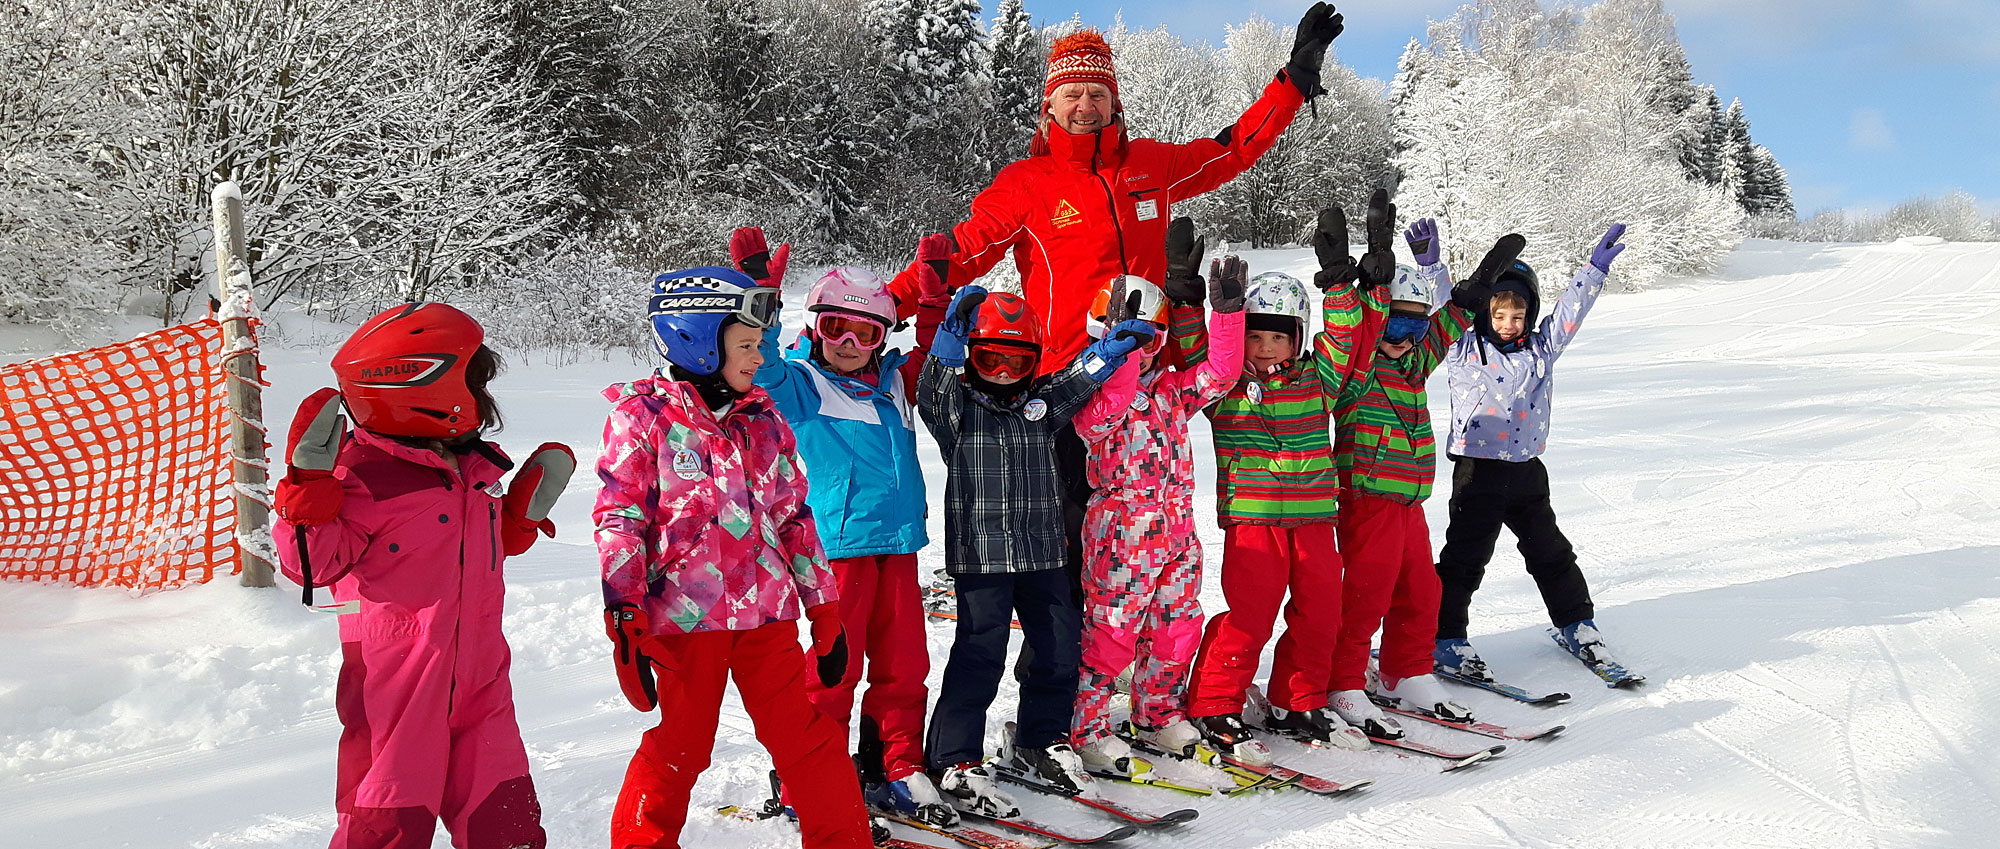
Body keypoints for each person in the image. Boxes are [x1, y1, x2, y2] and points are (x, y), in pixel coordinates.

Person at [883, 5, 1348, 595]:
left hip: (1144, 381)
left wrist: (1294, 81)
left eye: (1097, 92)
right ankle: (1068, 659)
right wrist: (870, 314)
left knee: (1137, 523)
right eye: (1072, 93)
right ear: (1049, 106)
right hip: (1063, 384)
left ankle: (1131, 643)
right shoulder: (1027, 184)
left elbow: (1232, 149)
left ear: (1115, 101)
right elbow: (957, 254)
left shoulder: (1153, 167)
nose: (1086, 105)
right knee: (1068, 526)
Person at [273, 302, 569, 849]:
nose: (485, 401)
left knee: (507, 825)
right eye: (475, 384)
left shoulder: (476, 469)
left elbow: (472, 556)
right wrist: (306, 496)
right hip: (397, 690)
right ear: (427, 390)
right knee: (386, 829)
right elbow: (311, 567)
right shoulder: (362, 476)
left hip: (482, 683)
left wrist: (515, 525)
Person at [593, 268, 871, 849]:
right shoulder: (645, 418)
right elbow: (621, 518)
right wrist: (624, 610)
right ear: (696, 342)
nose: (759, 355)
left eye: (761, 342)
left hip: (766, 618)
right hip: (683, 624)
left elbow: (795, 519)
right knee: (681, 745)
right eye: (746, 345)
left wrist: (823, 606)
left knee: (805, 738)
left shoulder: (764, 420)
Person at [733, 227, 956, 828]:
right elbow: (766, 365)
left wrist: (934, 302)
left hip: (899, 545)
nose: (851, 343)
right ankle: (813, 768)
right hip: (837, 550)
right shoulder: (803, 385)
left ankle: (896, 765)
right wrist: (760, 300)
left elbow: (936, 351)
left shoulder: (895, 383)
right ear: (817, 328)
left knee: (904, 664)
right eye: (837, 329)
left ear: (885, 338)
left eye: (867, 332)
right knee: (835, 667)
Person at [918, 283, 1155, 813]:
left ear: (1032, 363)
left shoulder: (1040, 406)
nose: (1002, 372)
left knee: (1058, 648)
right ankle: (953, 757)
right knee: (979, 654)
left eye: (1014, 361)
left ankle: (1040, 740)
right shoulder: (959, 415)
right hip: (983, 558)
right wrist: (946, 348)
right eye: (990, 359)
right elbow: (932, 392)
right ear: (973, 359)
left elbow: (1076, 381)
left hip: (1045, 552)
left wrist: (1109, 352)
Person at [1181, 198, 1392, 762]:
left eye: (1279, 337)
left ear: (1297, 340)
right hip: (1254, 523)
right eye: (1256, 336)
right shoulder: (1222, 388)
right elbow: (1195, 350)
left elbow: (1347, 341)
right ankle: (1213, 702)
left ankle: (1297, 700)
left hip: (1315, 519)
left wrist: (1341, 287)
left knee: (1321, 610)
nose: (1268, 346)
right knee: (1249, 615)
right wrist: (1189, 302)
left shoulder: (1318, 380)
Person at [1068, 258, 1247, 777]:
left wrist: (1228, 314)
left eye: (1150, 341)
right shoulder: (1090, 394)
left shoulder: (1170, 391)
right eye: (1130, 338)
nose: (1141, 353)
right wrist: (1117, 349)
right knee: (1111, 633)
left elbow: (1221, 374)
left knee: (1176, 627)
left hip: (1177, 533)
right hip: (1120, 535)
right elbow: (1114, 401)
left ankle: (1157, 713)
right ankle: (1089, 726)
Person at [1433, 224, 1630, 680]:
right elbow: (1449, 307)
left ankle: (1577, 623)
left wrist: (1592, 272)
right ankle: (1445, 637)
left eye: (1518, 316)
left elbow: (1569, 314)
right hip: (1477, 471)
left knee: (1551, 552)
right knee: (1464, 557)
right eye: (1499, 315)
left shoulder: (1541, 350)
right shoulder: (1464, 348)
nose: (1508, 324)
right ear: (1485, 314)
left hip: (1526, 471)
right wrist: (1432, 267)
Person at [1324, 206, 1486, 735]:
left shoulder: (1412, 364)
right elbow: (1359, 333)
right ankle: (1344, 679)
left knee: (1422, 590)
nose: (1403, 336)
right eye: (1394, 322)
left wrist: (1461, 303)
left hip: (1408, 499)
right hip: (1366, 495)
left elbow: (1439, 333)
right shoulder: (1357, 371)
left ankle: (1406, 670)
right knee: (1366, 592)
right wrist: (1366, 296)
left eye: (1413, 326)